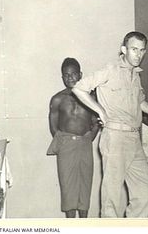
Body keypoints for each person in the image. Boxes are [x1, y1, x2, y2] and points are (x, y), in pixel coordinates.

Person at [72, 31, 148, 217]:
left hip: (134, 138)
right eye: (134, 49)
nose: (138, 54)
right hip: (115, 137)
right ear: (124, 49)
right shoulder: (111, 70)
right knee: (112, 199)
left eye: (142, 50)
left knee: (144, 193)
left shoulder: (135, 74)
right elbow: (79, 88)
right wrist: (100, 110)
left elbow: (141, 104)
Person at [47, 57, 100, 218]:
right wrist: (65, 143)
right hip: (66, 146)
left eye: (73, 74)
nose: (69, 78)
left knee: (85, 185)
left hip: (85, 144)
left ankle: (83, 224)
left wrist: (89, 137)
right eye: (66, 75)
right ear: (62, 77)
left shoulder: (91, 98)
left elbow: (96, 122)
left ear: (80, 74)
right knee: (68, 187)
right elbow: (53, 126)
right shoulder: (58, 99)